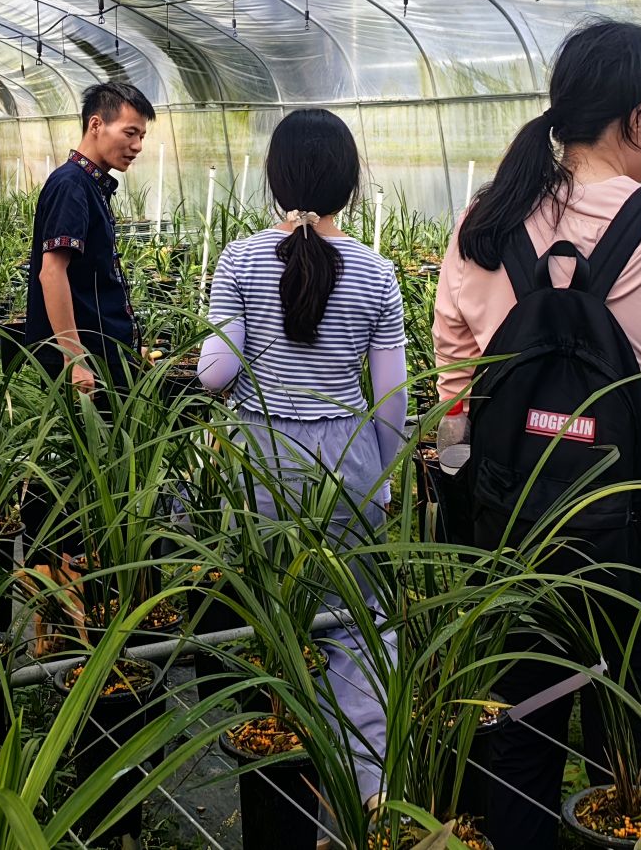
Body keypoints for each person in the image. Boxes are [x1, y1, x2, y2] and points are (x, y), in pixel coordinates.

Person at [432, 19, 641, 847]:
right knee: (639, 755)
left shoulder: (483, 223)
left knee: (516, 741)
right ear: (638, 118)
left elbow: (455, 393)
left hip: (514, 533)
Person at [198, 108, 406, 809]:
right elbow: (392, 401)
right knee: (360, 621)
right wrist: (382, 485)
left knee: (273, 613)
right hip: (348, 460)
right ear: (350, 184)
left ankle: (282, 770)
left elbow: (215, 373)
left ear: (275, 179)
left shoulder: (240, 259)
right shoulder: (377, 273)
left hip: (260, 460)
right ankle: (365, 796)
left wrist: (229, 336)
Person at [25, 81, 154, 397]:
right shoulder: (72, 186)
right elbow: (51, 273)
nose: (138, 145)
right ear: (96, 125)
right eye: (130, 133)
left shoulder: (90, 185)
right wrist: (75, 358)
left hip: (103, 354)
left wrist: (128, 346)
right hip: (88, 363)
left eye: (142, 136)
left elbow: (90, 282)